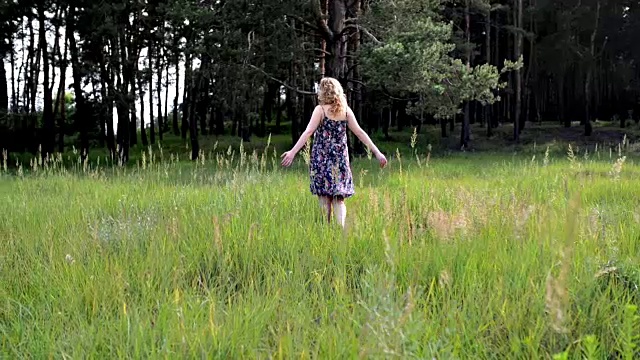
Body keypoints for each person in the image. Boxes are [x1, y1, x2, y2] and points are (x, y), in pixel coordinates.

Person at [281, 77, 387, 228]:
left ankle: (326, 232)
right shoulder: (345, 110)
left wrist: (292, 152)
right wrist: (377, 153)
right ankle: (341, 232)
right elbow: (360, 133)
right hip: (340, 160)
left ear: (323, 92)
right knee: (339, 198)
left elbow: (308, 132)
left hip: (321, 159)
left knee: (324, 197)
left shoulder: (320, 110)